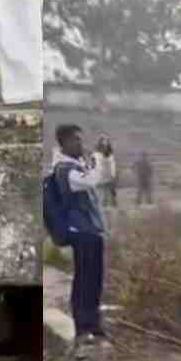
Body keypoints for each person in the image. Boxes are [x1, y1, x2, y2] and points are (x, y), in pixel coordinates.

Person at [50, 123, 113, 342]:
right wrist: (96, 155)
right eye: (76, 139)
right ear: (65, 142)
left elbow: (105, 177)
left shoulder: (76, 164)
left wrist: (106, 157)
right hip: (81, 231)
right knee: (85, 280)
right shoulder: (64, 170)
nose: (81, 143)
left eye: (80, 139)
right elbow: (91, 180)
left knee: (94, 280)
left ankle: (93, 325)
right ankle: (83, 327)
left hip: (92, 230)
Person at [93, 135, 118, 207]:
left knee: (111, 191)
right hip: (101, 176)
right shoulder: (97, 154)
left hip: (109, 175)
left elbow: (112, 164)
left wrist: (113, 175)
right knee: (102, 192)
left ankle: (113, 204)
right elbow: (95, 164)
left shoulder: (110, 155)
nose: (105, 144)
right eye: (104, 142)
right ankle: (103, 204)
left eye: (106, 142)